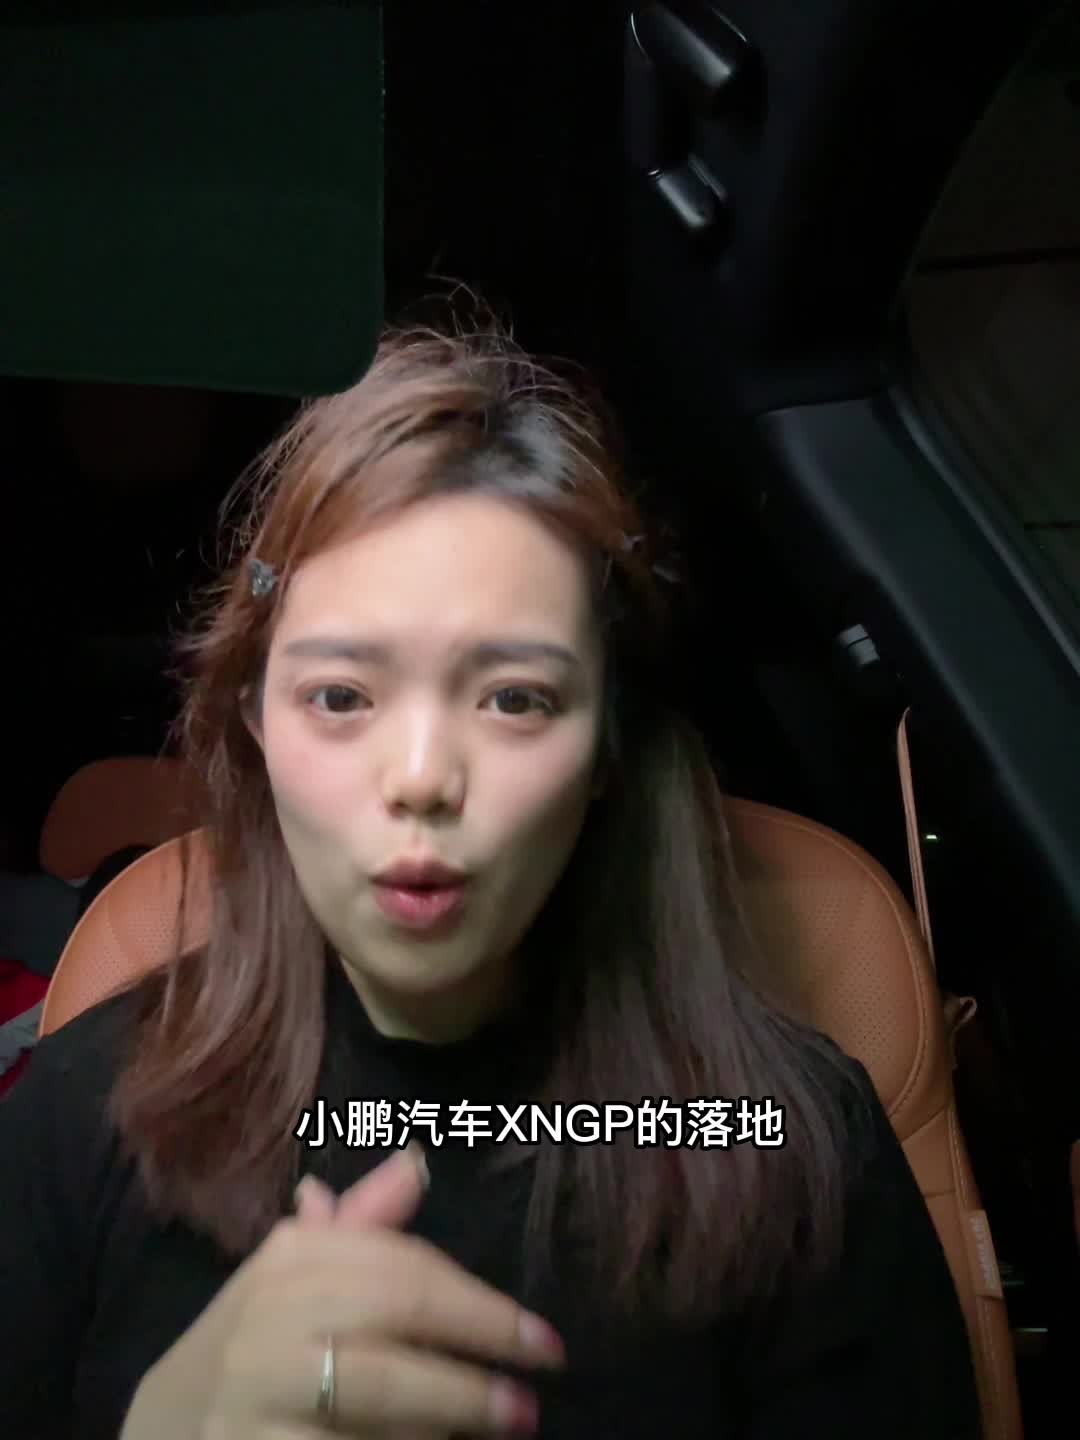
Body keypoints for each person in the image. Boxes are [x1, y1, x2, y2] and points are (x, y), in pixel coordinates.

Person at [0, 320, 980, 1439]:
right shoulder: (81, 1118)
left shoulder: (783, 1146)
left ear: (607, 750)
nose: (423, 778)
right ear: (255, 724)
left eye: (515, 698)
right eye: (340, 697)